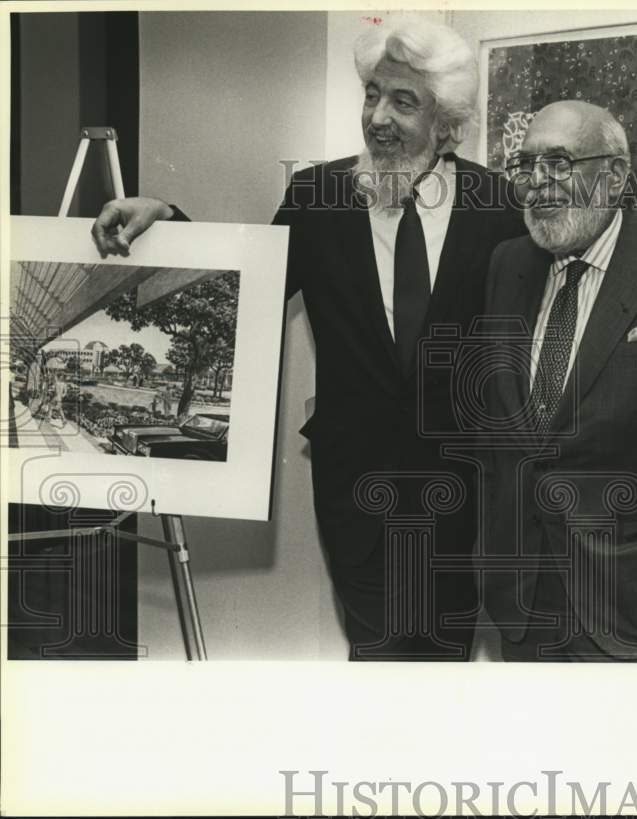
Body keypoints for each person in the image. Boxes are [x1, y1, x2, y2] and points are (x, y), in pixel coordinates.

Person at [91, 18, 524, 660]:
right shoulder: (317, 196)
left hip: (463, 497)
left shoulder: (498, 207)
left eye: (404, 101)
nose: (378, 117)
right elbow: (244, 292)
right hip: (357, 489)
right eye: (373, 94)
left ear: (447, 124)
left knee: (442, 660)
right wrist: (166, 218)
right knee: (375, 650)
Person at [479, 101, 637, 661]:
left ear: (615, 176)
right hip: (523, 597)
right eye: (525, 166)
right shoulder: (506, 265)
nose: (538, 184)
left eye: (560, 163)